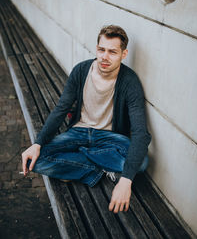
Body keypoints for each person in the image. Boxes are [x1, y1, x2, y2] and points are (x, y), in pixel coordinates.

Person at [22, 25, 151, 213]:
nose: (105, 56)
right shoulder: (81, 71)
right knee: (32, 159)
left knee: (142, 163)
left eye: (112, 52)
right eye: (101, 49)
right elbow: (61, 109)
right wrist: (38, 143)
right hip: (78, 132)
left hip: (109, 138)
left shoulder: (130, 82)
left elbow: (141, 133)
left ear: (124, 54)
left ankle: (77, 163)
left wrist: (126, 181)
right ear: (97, 48)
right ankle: (99, 169)